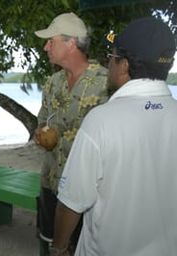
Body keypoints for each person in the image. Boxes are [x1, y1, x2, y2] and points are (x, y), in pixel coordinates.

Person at [52, 17, 177, 256]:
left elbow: (70, 204)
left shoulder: (101, 121)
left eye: (111, 58)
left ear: (124, 66)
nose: (107, 65)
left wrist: (58, 248)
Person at [33, 12, 109, 254]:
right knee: (50, 246)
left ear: (71, 42)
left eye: (51, 41)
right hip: (51, 182)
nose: (46, 47)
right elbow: (42, 122)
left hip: (90, 193)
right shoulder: (52, 83)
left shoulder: (106, 83)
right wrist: (40, 135)